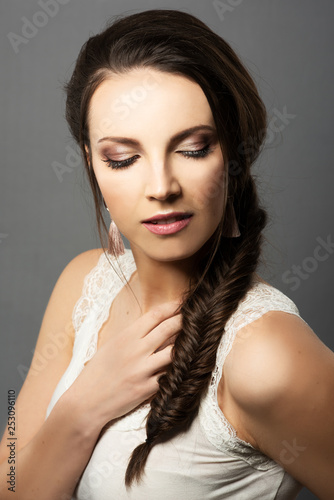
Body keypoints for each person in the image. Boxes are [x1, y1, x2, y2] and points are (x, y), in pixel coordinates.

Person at [0, 8, 333, 500]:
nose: (161, 186)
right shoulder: (83, 282)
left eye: (194, 148)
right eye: (123, 158)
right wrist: (85, 404)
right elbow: (8, 480)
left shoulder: (267, 357)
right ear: (91, 161)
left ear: (234, 153)